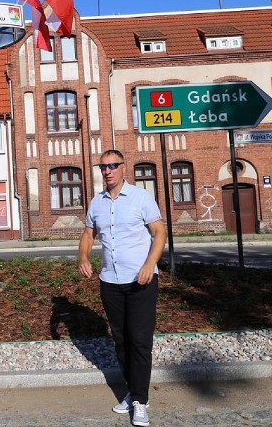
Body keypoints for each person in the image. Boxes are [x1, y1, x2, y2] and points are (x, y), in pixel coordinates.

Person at [77, 150, 167, 427]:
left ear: (123, 168)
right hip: (111, 282)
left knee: (139, 340)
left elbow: (159, 232)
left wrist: (149, 264)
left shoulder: (141, 198)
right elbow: (89, 233)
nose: (108, 170)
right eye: (103, 166)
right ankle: (132, 390)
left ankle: (140, 401)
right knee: (120, 339)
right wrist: (83, 257)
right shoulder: (97, 203)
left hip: (141, 281)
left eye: (113, 165)